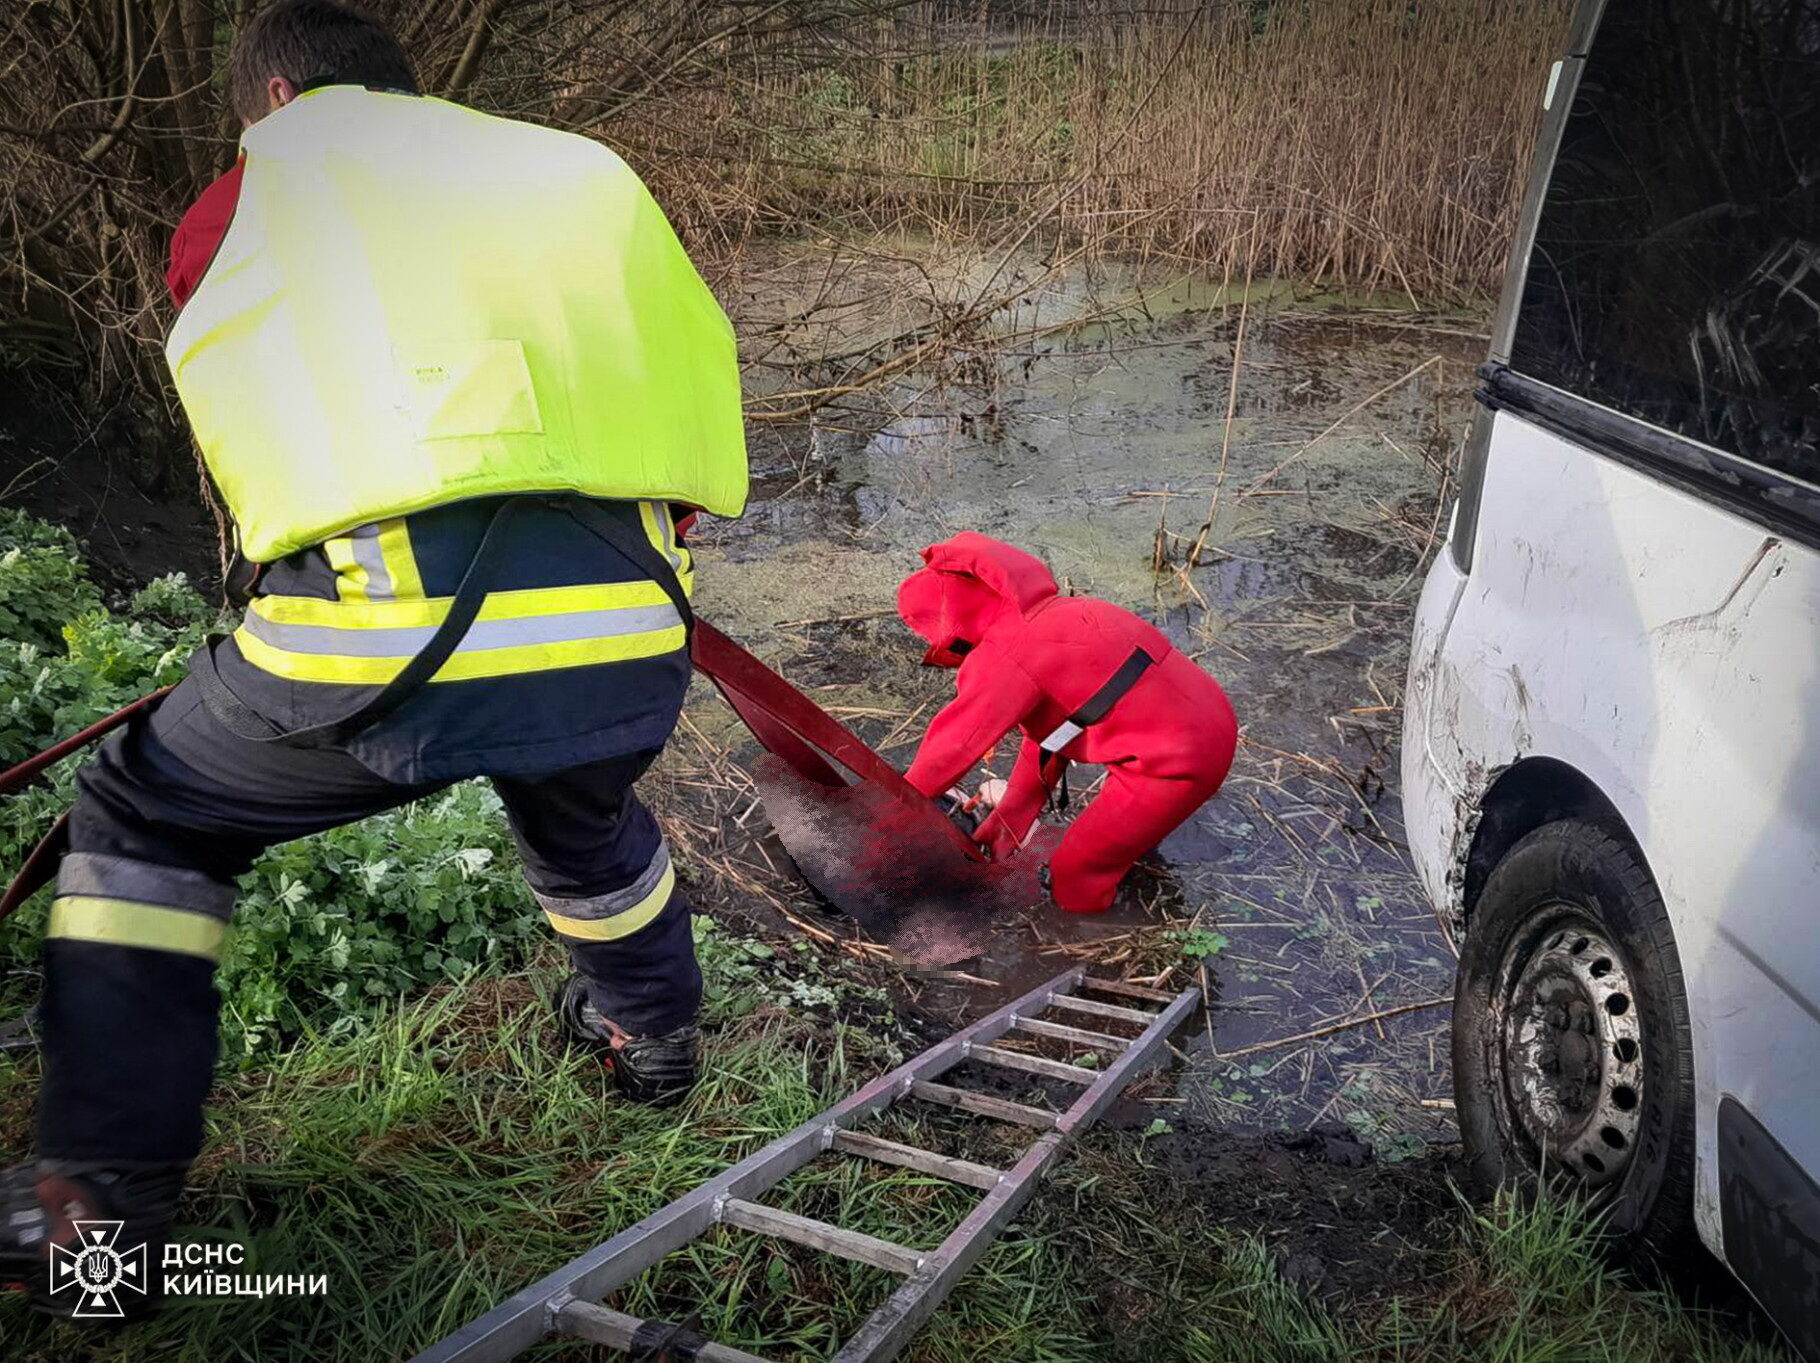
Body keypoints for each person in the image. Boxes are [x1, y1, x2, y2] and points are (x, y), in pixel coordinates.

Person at [0, 0, 745, 1314]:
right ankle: (655, 1039)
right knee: (585, 824)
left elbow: (279, 418)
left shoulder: (256, 198)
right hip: (634, 627)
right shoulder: (574, 179)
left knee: (145, 812)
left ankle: (102, 1218)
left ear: (277, 101)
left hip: (384, 637)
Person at [898, 533, 1236, 913]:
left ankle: (1089, 936)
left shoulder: (1006, 655)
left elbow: (952, 746)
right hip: (1205, 721)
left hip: (1175, 765)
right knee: (1113, 842)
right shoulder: (1063, 614)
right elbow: (1057, 732)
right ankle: (1126, 856)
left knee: (1076, 872)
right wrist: (1012, 815)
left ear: (950, 633)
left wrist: (889, 808)